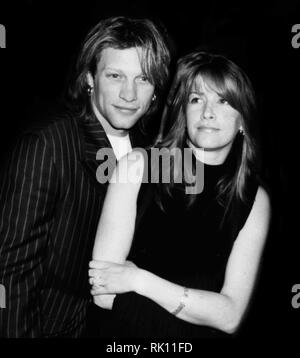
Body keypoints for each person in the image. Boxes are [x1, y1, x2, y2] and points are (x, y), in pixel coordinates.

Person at [0, 16, 171, 338]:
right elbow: (10, 273)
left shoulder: (151, 153)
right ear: (90, 78)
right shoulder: (48, 144)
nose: (129, 94)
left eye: (144, 79)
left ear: (156, 91)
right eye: (115, 76)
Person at [89, 50, 271, 338]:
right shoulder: (139, 166)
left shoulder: (253, 198)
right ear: (183, 112)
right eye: (196, 99)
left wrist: (139, 280)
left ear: (242, 121)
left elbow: (230, 317)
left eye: (223, 101)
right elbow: (103, 292)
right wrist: (200, 309)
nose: (207, 112)